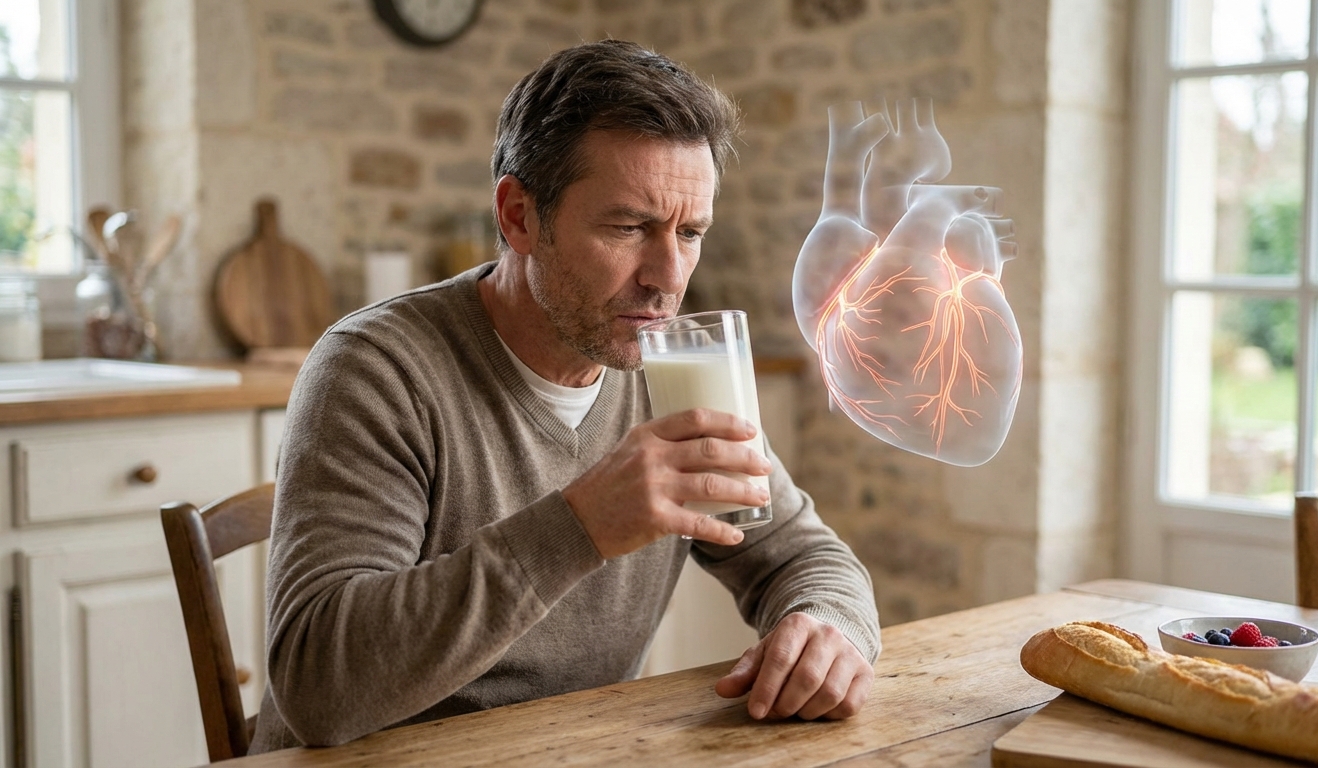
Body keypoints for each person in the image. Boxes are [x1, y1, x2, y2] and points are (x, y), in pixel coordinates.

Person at [249, 39, 880, 753]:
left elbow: (806, 557)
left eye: (690, 231)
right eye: (629, 227)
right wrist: (580, 528)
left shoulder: (674, 372)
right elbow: (319, 689)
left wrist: (828, 628)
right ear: (518, 216)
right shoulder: (377, 370)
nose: (669, 277)